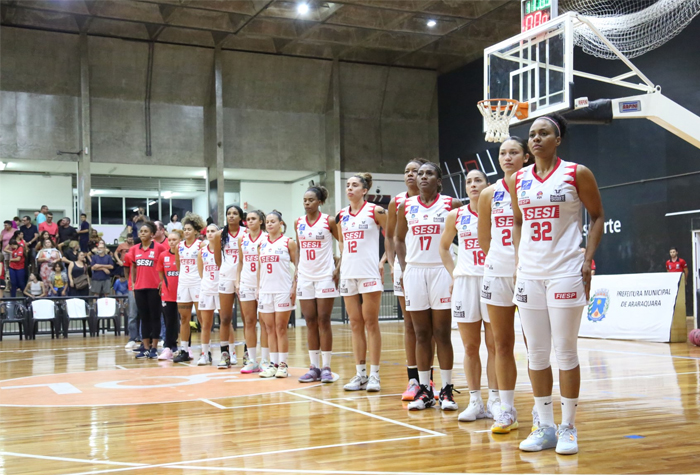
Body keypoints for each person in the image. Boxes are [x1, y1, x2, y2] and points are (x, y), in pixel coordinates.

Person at [510, 114, 604, 455]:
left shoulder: (577, 173)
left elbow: (597, 217)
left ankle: (568, 428)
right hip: (530, 274)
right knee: (536, 353)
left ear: (558, 139)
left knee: (565, 351)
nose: (535, 139)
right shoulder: (517, 179)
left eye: (544, 133)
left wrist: (586, 259)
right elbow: (518, 222)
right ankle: (545, 426)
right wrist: (519, 258)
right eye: (532, 134)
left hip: (566, 270)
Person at [477, 136, 532, 433]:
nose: (507, 157)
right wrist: (501, 260)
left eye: (513, 152)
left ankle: (542, 410)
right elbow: (484, 237)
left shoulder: (533, 188)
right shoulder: (488, 194)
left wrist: (520, 263)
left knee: (534, 345)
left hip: (530, 272)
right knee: (501, 344)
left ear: (525, 157)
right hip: (497, 271)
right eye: (502, 153)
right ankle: (506, 410)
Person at [396, 163, 461, 410]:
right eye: (419, 173)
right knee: (421, 333)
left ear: (439, 180)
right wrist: (404, 267)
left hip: (441, 271)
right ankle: (424, 390)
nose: (422, 177)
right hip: (414, 271)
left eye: (429, 173)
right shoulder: (406, 206)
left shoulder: (451, 204)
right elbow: (398, 239)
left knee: (442, 333)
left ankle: (446, 390)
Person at [440, 169, 499, 421]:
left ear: (487, 185)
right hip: (465, 282)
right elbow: (443, 247)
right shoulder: (456, 215)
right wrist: (454, 274)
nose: (473, 185)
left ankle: (496, 399)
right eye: (469, 182)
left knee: (495, 345)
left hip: (492, 279)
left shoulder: (497, 211)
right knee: (470, 346)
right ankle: (475, 401)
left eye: (478, 180)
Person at [338, 173, 388, 392]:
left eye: (355, 185)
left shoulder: (375, 211)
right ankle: (360, 375)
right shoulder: (341, 215)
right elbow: (342, 243)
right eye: (348, 185)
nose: (350, 188)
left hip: (369, 273)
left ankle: (375, 375)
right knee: (355, 323)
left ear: (364, 190)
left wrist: (385, 261)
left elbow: (392, 236)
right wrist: (340, 267)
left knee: (371, 322)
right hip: (349, 274)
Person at [385, 158, 428, 400]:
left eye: (415, 171)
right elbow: (390, 237)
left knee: (430, 328)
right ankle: (413, 379)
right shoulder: (397, 202)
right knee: (410, 324)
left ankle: (428, 378)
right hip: (406, 268)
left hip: (432, 268)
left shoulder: (438, 202)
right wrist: (392, 264)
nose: (410, 175)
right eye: (406, 171)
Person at [295, 186, 340, 383]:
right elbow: (298, 248)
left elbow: (344, 242)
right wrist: (296, 268)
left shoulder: (329, 221)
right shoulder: (298, 222)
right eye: (305, 199)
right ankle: (313, 367)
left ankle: (327, 366)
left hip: (324, 276)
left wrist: (339, 265)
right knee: (310, 320)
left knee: (324, 319)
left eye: (311, 199)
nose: (307, 203)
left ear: (320, 202)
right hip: (305, 276)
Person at [257, 211, 297, 378]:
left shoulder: (289, 243)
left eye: (273, 221)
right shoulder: (262, 244)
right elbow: (260, 267)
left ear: (281, 223)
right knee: (269, 328)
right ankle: (273, 364)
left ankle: (283, 365)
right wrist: (258, 288)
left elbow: (298, 266)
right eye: (267, 222)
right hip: (266, 290)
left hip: (283, 290)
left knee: (281, 327)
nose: (269, 224)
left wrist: (294, 286)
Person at [126, 221, 167, 359]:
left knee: (155, 317)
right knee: (143, 318)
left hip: (154, 288)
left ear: (152, 234)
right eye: (141, 231)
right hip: (139, 288)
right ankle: (145, 347)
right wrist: (132, 283)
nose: (142, 233)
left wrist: (162, 282)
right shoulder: (134, 249)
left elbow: (163, 266)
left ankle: (154, 348)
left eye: (145, 231)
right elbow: (134, 267)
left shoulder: (159, 248)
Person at [237, 210, 269, 373]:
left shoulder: (266, 238)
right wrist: (237, 281)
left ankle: (264, 360)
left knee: (264, 323)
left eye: (253, 219)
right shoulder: (242, 239)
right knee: (249, 322)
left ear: (261, 221)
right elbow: (240, 263)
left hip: (263, 285)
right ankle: (251, 360)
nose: (249, 221)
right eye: (248, 219)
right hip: (246, 284)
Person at [213, 205, 245, 369]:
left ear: (240, 217)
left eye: (235, 213)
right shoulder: (219, 235)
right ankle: (225, 354)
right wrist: (227, 271)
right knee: (225, 318)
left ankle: (248, 355)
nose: (231, 216)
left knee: (248, 319)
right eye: (228, 213)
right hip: (225, 277)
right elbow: (218, 260)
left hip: (244, 278)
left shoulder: (245, 234)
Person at [173, 212, 206, 363]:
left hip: (198, 283)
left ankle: (206, 351)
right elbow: (179, 265)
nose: (186, 231)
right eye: (184, 229)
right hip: (183, 284)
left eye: (189, 229)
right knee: (184, 318)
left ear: (196, 231)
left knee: (202, 318)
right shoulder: (179, 246)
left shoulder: (201, 245)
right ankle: (184, 350)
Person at [197, 223, 221, 366]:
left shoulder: (223, 250)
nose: (210, 234)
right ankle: (205, 354)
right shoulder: (202, 252)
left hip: (220, 289)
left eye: (213, 231)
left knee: (225, 322)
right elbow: (201, 272)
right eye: (209, 231)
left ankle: (231, 353)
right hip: (206, 289)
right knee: (206, 324)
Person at [157, 230, 182, 361]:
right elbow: (161, 272)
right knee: (169, 321)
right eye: (170, 240)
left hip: (182, 293)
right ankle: (169, 347)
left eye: (174, 240)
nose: (172, 242)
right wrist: (164, 284)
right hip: (168, 294)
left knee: (183, 320)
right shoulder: (163, 255)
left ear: (180, 241)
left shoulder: (183, 255)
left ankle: (184, 347)